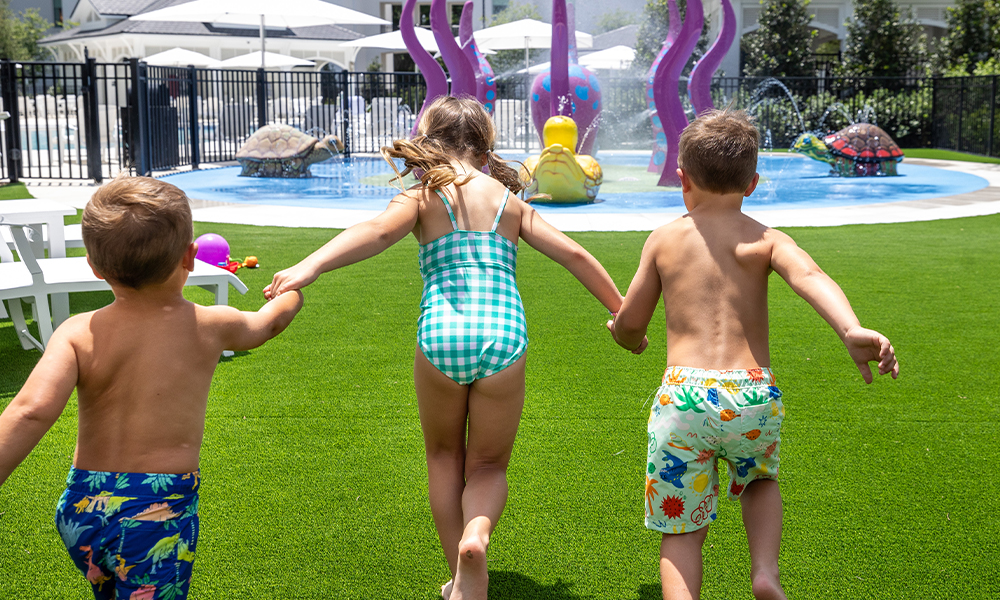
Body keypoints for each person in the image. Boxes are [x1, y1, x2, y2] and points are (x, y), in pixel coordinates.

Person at [265, 96, 631, 600]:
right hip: (503, 336)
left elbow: (374, 233)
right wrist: (624, 314)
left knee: (442, 457)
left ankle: (461, 578)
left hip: (441, 335)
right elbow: (572, 254)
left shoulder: (422, 195)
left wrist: (310, 266)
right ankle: (476, 536)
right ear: (484, 147)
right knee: (488, 466)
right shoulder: (508, 201)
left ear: (430, 142)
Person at [607, 109, 899, 600]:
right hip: (752, 395)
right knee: (760, 482)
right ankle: (764, 572)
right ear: (753, 183)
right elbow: (810, 276)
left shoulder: (664, 240)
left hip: (684, 397)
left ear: (682, 179)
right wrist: (850, 329)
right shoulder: (766, 239)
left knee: (681, 529)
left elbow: (631, 323)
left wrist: (624, 334)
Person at [0, 176, 303, 599]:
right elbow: (268, 324)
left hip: (83, 508)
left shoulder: (76, 332)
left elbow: (30, 410)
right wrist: (291, 292)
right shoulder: (209, 324)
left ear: (94, 266)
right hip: (156, 513)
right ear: (190, 257)